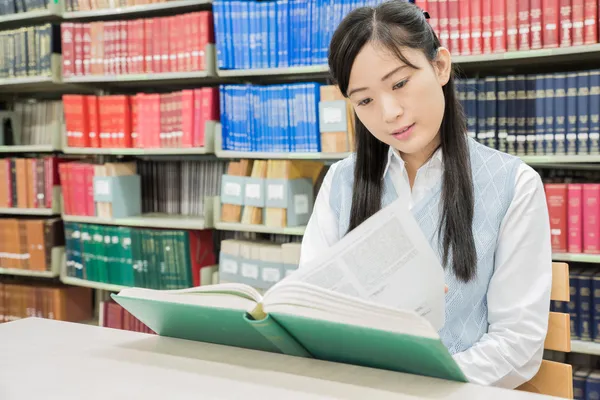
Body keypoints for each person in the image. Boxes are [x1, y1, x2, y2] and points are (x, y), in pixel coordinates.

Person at [298, 0, 552, 389]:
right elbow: (309, 312)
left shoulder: (513, 184)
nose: (389, 112)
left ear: (440, 66)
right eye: (364, 100)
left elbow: (517, 343)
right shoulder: (340, 183)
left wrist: (423, 385)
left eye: (400, 83)